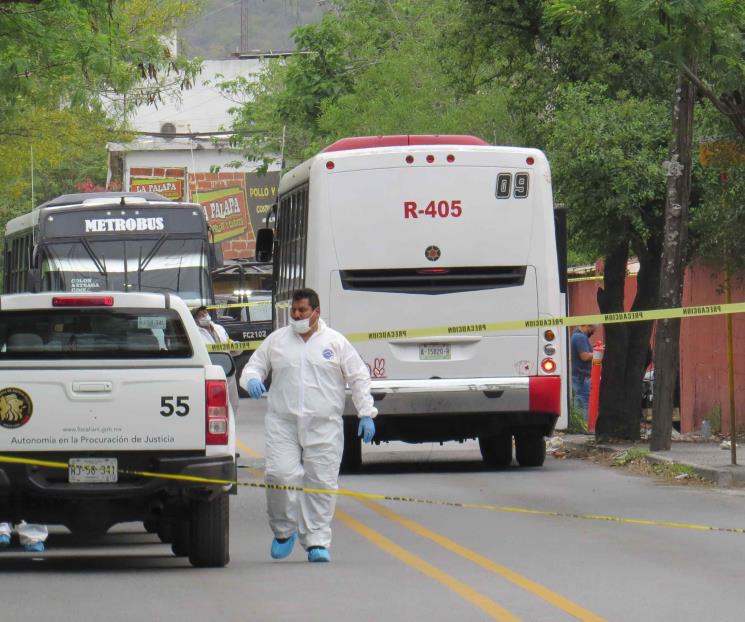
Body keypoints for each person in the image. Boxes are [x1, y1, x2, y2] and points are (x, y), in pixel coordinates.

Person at [240, 288, 377, 563]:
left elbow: (359, 376)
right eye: (294, 310)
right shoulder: (277, 340)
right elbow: (253, 367)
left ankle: (316, 541)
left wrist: (366, 413)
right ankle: (283, 531)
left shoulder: (335, 343)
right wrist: (252, 379)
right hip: (283, 422)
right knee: (280, 476)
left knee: (321, 482)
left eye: (302, 311)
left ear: (316, 312)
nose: (297, 315)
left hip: (324, 424)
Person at [193, 305, 240, 417]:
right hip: (212, 374)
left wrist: (236, 346)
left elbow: (230, 347)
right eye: (201, 314)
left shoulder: (219, 328)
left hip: (228, 371)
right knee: (216, 407)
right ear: (196, 319)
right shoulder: (196, 333)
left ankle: (231, 426)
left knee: (233, 403)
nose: (205, 315)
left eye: (205, 312)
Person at [570, 324, 596, 420]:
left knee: (578, 399)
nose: (593, 333)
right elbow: (584, 356)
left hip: (578, 374)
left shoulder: (575, 336)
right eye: (592, 329)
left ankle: (580, 424)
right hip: (582, 375)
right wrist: (598, 353)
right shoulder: (581, 337)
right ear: (587, 326)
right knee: (584, 400)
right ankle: (584, 425)